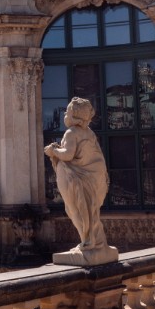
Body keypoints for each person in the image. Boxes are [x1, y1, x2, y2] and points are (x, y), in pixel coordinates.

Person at [43, 97, 108, 251]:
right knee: (91, 211)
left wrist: (53, 150)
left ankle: (87, 240)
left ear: (74, 115)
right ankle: (96, 241)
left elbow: (68, 155)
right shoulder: (89, 133)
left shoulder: (71, 133)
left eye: (68, 111)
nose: (65, 114)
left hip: (78, 178)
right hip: (94, 176)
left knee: (76, 209)